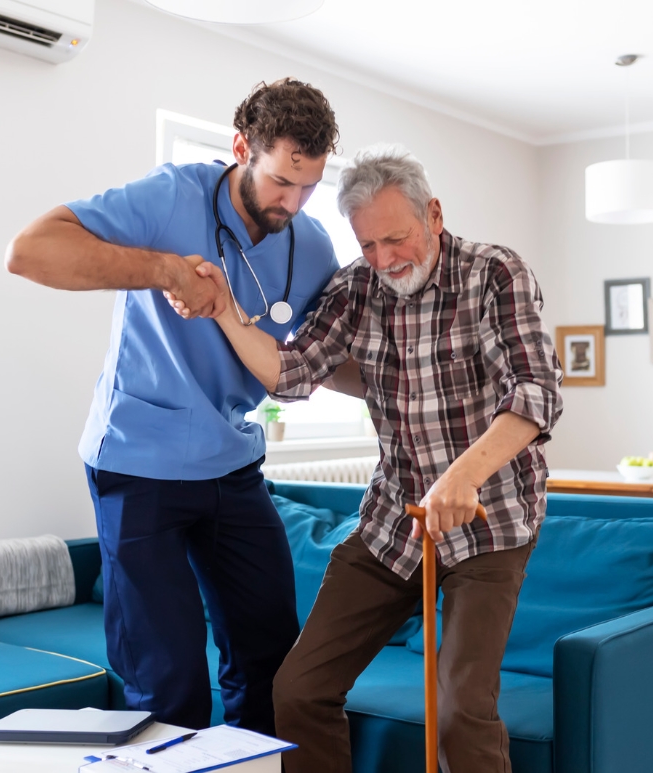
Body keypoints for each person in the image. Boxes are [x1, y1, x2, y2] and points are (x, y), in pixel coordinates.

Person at [167, 145, 564, 771]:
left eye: (396, 238)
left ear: (434, 214)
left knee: (460, 709)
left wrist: (462, 477)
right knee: (299, 690)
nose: (384, 259)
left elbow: (538, 392)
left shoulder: (495, 272)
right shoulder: (356, 287)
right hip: (394, 522)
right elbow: (291, 374)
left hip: (491, 520)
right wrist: (224, 312)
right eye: (369, 244)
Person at [4, 78, 344, 733]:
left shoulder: (313, 246)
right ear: (241, 148)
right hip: (137, 462)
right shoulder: (172, 196)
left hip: (232, 466)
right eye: (281, 181)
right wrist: (164, 270)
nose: (293, 202)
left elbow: (325, 358)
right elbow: (30, 251)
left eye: (309, 186)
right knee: (168, 684)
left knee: (273, 662)